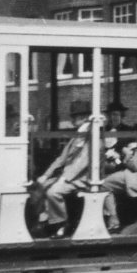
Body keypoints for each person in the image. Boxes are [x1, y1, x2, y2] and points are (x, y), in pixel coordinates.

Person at [31, 101, 93, 236]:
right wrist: (46, 175)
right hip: (70, 177)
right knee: (40, 186)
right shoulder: (77, 135)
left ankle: (62, 224)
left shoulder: (91, 136)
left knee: (53, 192)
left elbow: (82, 163)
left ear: (84, 117)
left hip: (83, 177)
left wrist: (64, 179)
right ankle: (44, 220)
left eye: (75, 117)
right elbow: (61, 158)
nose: (72, 120)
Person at [100, 102, 137, 232]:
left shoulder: (133, 132)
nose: (113, 118)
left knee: (104, 183)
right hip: (117, 166)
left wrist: (124, 154)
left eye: (116, 114)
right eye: (110, 115)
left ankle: (114, 218)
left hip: (132, 169)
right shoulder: (103, 130)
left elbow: (135, 162)